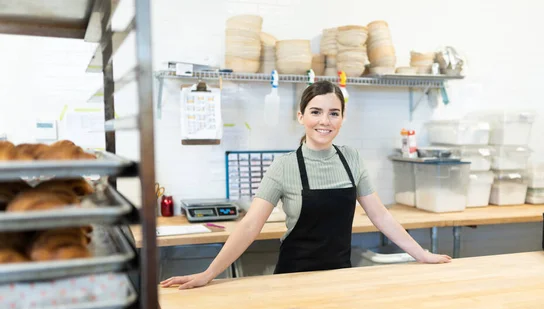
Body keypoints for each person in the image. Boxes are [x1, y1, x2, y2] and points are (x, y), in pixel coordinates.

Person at [161, 80, 451, 290]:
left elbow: (381, 216)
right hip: (292, 280)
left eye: (333, 113)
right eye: (316, 112)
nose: (325, 121)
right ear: (301, 117)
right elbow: (250, 226)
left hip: (340, 280)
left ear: (342, 118)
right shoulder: (284, 166)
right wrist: (208, 274)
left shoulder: (351, 159)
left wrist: (422, 255)